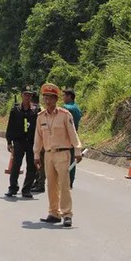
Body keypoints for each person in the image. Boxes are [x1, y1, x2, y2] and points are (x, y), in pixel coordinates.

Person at [34, 83, 82, 227]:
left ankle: (67, 214)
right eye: (45, 97)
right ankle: (54, 213)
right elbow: (38, 137)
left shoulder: (64, 115)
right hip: (48, 154)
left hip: (63, 153)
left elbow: (73, 134)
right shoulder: (40, 117)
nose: (47, 100)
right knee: (51, 185)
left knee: (64, 184)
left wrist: (78, 150)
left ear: (56, 99)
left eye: (50, 97)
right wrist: (36, 154)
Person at [4, 87, 39, 198]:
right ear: (21, 95)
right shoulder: (15, 110)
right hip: (19, 142)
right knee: (16, 166)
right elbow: (10, 126)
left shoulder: (36, 111)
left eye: (29, 95)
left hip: (31, 142)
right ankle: (13, 188)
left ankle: (26, 189)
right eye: (25, 94)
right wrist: (9, 142)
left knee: (31, 167)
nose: (27, 97)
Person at [62, 88, 82, 188]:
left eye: (64, 96)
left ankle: (64, 181)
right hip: (74, 135)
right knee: (72, 160)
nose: (63, 98)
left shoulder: (66, 108)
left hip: (65, 137)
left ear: (69, 96)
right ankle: (70, 181)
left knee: (63, 159)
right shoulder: (77, 108)